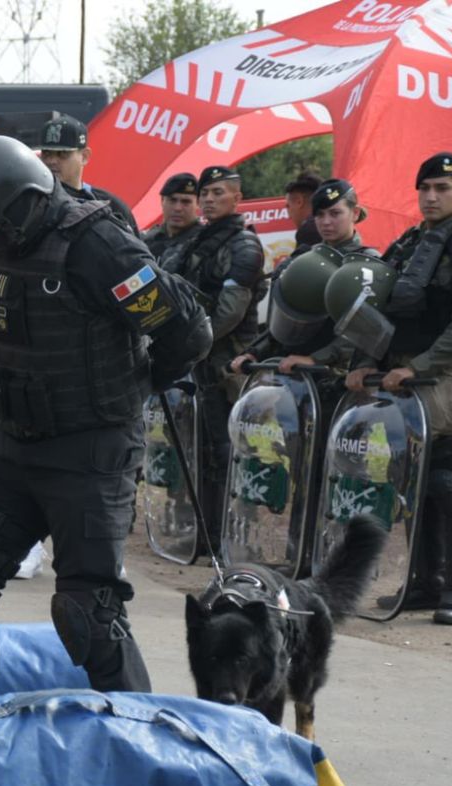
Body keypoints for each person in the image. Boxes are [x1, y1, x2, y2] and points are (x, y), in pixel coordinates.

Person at [0, 134, 210, 698]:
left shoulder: (98, 245)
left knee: (89, 613)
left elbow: (188, 333)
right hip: (12, 442)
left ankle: (142, 748)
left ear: (23, 204)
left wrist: (134, 388)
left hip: (90, 450)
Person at [349, 152, 452, 625]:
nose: (431, 196)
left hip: (444, 379)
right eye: (424, 188)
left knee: (450, 485)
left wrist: (419, 366)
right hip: (401, 381)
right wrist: (366, 362)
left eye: (442, 188)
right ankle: (426, 582)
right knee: (412, 486)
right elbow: (380, 308)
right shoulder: (408, 242)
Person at [162, 164, 265, 550]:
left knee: (229, 453)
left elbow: (231, 311)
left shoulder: (244, 244)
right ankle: (208, 535)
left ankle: (234, 537)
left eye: (218, 192)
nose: (208, 199)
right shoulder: (198, 240)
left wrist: (192, 341)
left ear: (237, 198)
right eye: (205, 193)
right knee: (203, 451)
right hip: (201, 362)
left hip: (228, 364)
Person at [231, 178, 377, 376]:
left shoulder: (368, 264)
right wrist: (254, 353)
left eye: (335, 213)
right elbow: (283, 323)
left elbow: (363, 333)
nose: (326, 222)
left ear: (355, 213)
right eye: (319, 214)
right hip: (293, 373)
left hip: (338, 378)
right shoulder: (304, 258)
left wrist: (316, 359)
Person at [37, 115, 139, 235]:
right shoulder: (33, 201)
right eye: (47, 153)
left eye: (62, 153)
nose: (51, 161)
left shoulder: (111, 205)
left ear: (84, 157)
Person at [141, 172, 200, 260]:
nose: (178, 208)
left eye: (186, 202)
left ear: (198, 204)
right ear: (162, 201)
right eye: (172, 200)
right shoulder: (145, 241)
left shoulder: (203, 242)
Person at [285, 172, 323, 251]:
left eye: (288, 206)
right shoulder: (333, 224)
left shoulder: (308, 231)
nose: (289, 216)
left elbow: (299, 263)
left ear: (299, 202)